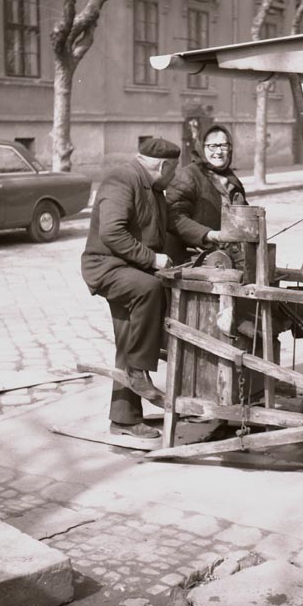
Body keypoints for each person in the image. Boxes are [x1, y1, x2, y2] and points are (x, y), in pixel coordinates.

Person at [81, 137, 180, 440]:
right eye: (174, 169)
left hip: (130, 268)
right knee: (149, 289)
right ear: (162, 165)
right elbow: (112, 232)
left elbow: (174, 224)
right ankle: (138, 372)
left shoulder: (154, 188)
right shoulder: (121, 179)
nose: (175, 175)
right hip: (106, 267)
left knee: (128, 337)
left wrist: (210, 237)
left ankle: (123, 420)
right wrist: (152, 259)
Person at [166, 124, 247, 265]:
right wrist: (209, 235)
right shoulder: (187, 176)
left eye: (223, 145)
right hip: (194, 258)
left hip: (227, 256)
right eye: (212, 146)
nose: (219, 152)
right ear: (201, 148)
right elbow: (174, 218)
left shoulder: (231, 179)